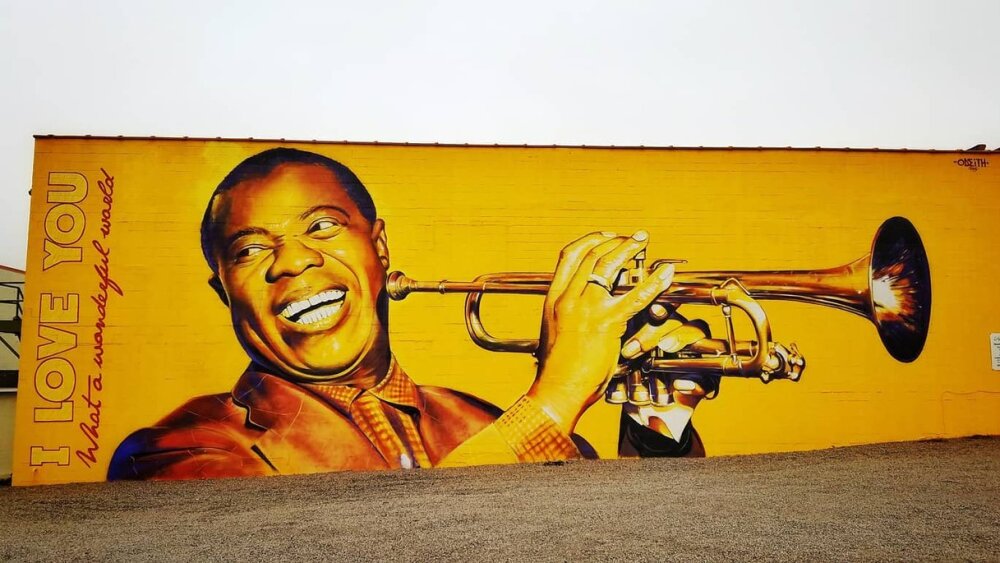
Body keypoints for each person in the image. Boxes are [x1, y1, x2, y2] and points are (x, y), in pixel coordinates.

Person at [108, 148, 712, 480]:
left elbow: (620, 537)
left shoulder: (484, 421)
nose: (291, 261)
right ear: (225, 293)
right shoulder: (175, 453)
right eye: (250, 249)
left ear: (380, 249)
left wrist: (655, 425)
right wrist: (560, 390)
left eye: (323, 226)